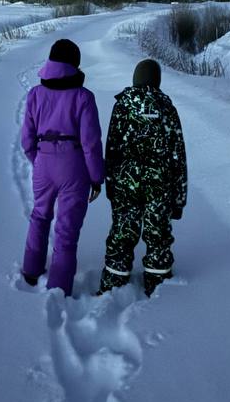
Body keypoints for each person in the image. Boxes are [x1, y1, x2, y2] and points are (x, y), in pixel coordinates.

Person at [21, 38, 104, 296]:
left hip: (43, 164)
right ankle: (58, 286)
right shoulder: (83, 97)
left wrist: (38, 161)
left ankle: (31, 269)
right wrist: (96, 177)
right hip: (74, 168)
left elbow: (26, 139)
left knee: (39, 216)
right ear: (74, 64)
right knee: (66, 229)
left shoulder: (35, 94)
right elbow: (91, 143)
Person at [98, 58, 187, 296]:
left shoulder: (122, 105)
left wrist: (111, 186)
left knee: (121, 232)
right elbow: (177, 155)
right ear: (157, 80)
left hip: (126, 182)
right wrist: (179, 200)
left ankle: (113, 283)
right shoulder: (167, 108)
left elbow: (112, 147)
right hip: (160, 184)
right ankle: (158, 286)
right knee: (158, 233)